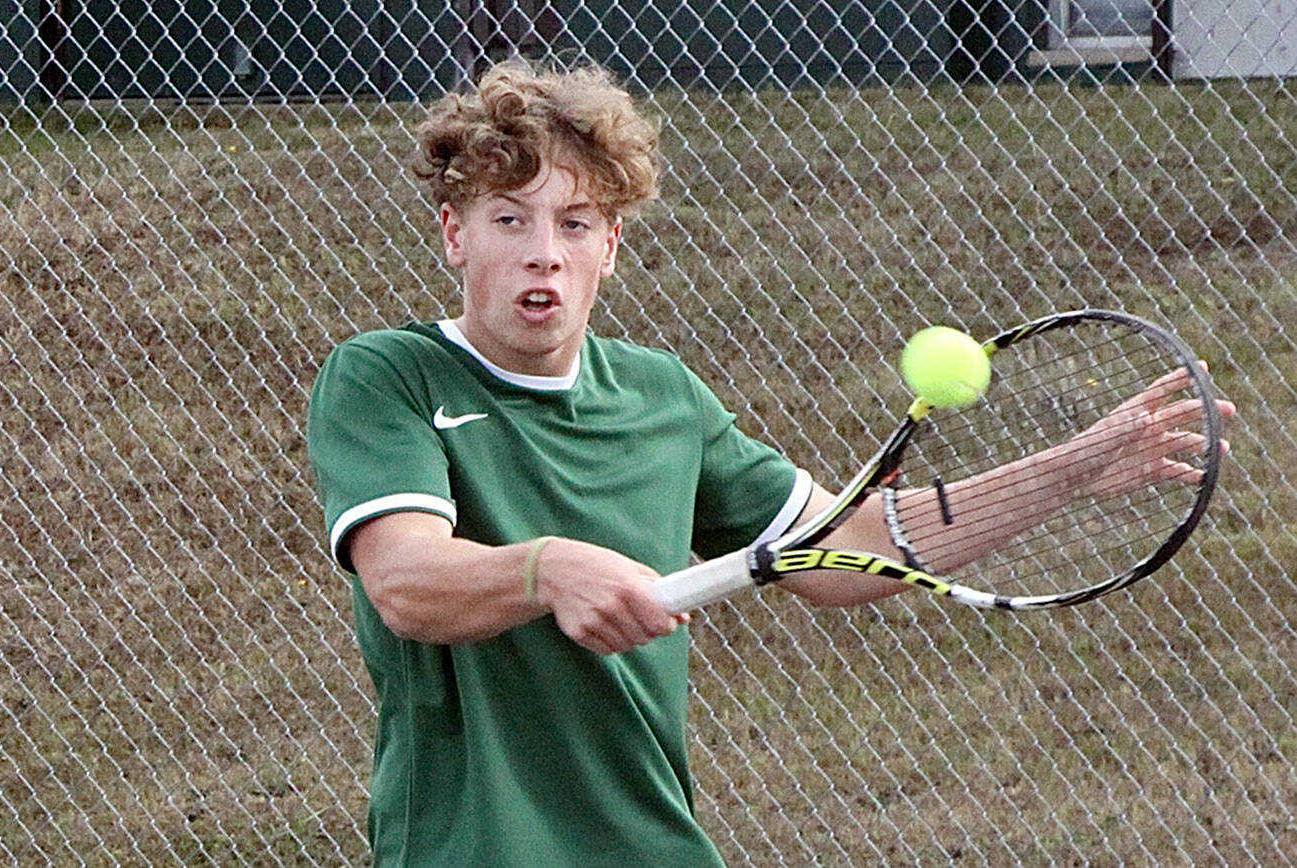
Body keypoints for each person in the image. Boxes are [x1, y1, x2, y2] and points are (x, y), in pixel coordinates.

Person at [306, 60, 1232, 866]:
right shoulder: (386, 376)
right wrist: (553, 568)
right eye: (510, 220)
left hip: (655, 845)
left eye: (577, 225)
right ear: (455, 234)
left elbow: (848, 548)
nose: (544, 254)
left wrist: (1069, 469)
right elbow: (409, 582)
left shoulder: (663, 398)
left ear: (612, 247)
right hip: (470, 850)